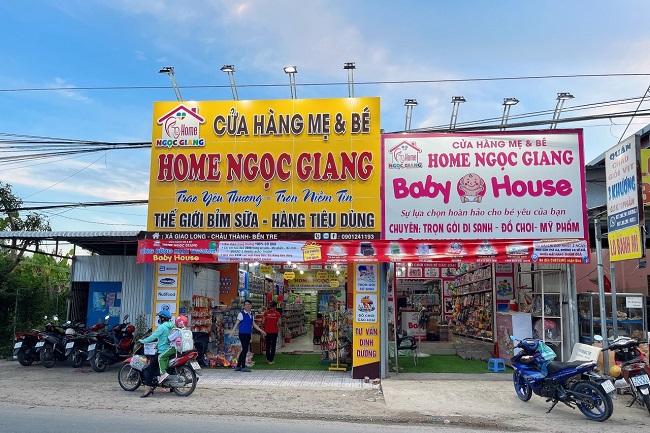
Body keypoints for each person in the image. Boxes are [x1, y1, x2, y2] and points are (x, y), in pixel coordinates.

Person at [138, 310, 175, 398]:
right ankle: (169, 386)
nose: (159, 319)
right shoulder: (172, 326)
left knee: (150, 369)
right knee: (166, 367)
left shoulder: (162, 327)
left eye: (159, 317)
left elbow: (153, 336)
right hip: (171, 349)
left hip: (163, 350)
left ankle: (147, 389)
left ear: (162, 318)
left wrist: (142, 341)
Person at [228, 300, 266, 372]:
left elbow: (253, 324)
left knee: (244, 350)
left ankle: (238, 366)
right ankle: (243, 366)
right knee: (245, 349)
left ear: (251, 305)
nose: (247, 306)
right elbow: (236, 323)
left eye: (248, 304)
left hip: (248, 333)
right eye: (246, 305)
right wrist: (232, 333)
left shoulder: (251, 314)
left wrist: (261, 331)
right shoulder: (241, 314)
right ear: (244, 306)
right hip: (243, 333)